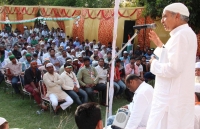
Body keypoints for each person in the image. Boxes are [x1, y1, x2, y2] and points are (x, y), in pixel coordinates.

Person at [146, 3, 197, 129]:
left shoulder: (180, 36)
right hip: (176, 96)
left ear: (177, 16)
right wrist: (160, 45)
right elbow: (173, 57)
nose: (162, 21)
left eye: (165, 17)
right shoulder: (185, 33)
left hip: (171, 99)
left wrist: (153, 64)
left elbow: (174, 68)